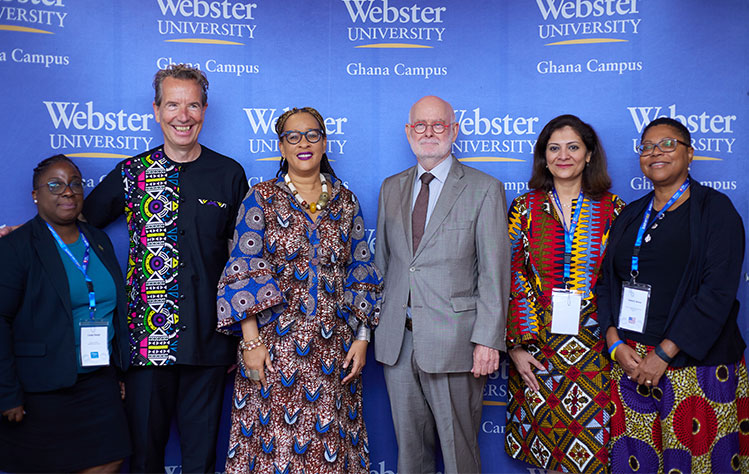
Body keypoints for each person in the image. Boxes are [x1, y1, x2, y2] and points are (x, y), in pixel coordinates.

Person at [82, 64, 249, 473]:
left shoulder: (229, 174)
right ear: (156, 110)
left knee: (199, 460)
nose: (183, 115)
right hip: (144, 345)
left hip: (209, 344)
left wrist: (240, 335)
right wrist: (29, 234)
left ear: (205, 111)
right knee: (144, 459)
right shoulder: (132, 173)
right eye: (173, 104)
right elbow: (79, 225)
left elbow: (246, 259)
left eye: (193, 105)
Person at [215, 107, 382, 473]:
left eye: (312, 135)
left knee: (330, 451)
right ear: (281, 145)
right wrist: (251, 344)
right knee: (276, 453)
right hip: (274, 351)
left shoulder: (345, 201)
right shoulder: (260, 198)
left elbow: (362, 270)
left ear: (324, 142)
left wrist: (363, 338)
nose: (303, 143)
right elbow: (243, 271)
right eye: (293, 136)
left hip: (334, 351)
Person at [598, 117, 748, 473]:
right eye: (647, 147)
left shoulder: (715, 210)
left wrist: (665, 352)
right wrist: (614, 341)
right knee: (637, 464)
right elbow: (606, 283)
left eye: (667, 144)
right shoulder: (631, 214)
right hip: (632, 365)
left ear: (689, 153)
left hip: (695, 368)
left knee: (696, 464)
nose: (655, 153)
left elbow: (718, 291)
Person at [373, 95, 509, 473]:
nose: (428, 133)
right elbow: (386, 265)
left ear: (455, 130)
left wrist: (487, 340)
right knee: (409, 454)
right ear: (408, 131)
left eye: (438, 125)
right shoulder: (391, 188)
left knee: (458, 452)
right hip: (398, 343)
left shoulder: (484, 189)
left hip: (457, 342)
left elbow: (495, 273)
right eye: (420, 125)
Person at [503, 115, 624, 473]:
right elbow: (511, 276)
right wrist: (515, 347)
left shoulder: (614, 209)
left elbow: (619, 281)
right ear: (544, 157)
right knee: (549, 451)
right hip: (538, 346)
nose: (563, 155)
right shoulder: (524, 208)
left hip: (598, 348)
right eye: (554, 148)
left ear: (589, 155)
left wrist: (617, 341)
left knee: (596, 451)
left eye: (573, 147)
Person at [0, 155, 131, 473]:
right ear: (36, 194)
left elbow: (110, 307)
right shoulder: (17, 246)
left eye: (74, 183)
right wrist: (7, 394)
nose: (68, 192)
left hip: (97, 379)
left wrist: (118, 370)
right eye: (55, 185)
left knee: (112, 455)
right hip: (42, 385)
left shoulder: (97, 240)